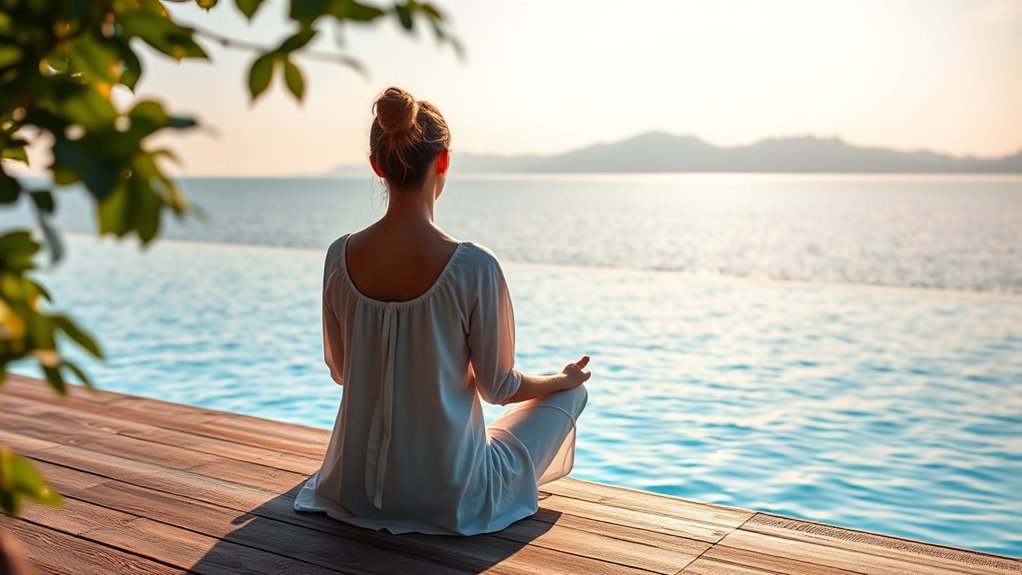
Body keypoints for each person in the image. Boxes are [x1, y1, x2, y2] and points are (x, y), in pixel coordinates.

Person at [293, 87, 591, 535]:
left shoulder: (339, 257)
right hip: (450, 496)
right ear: (444, 161)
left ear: (377, 166)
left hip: (350, 490)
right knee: (571, 395)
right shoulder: (474, 266)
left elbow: (340, 371)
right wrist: (562, 380)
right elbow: (499, 387)